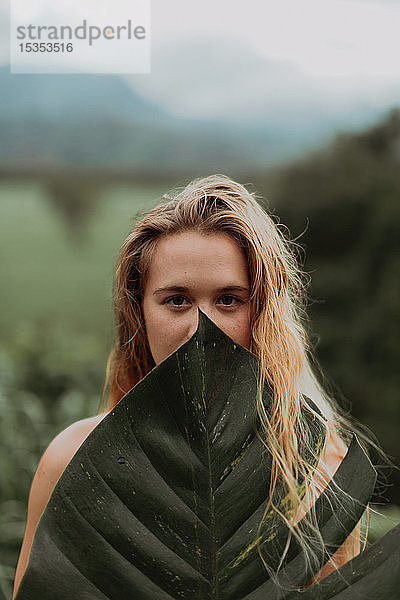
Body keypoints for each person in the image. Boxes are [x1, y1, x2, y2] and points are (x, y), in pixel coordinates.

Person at [13, 174, 368, 598]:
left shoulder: (320, 471)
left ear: (264, 314)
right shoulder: (73, 457)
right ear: (139, 312)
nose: (203, 329)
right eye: (177, 300)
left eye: (229, 299)